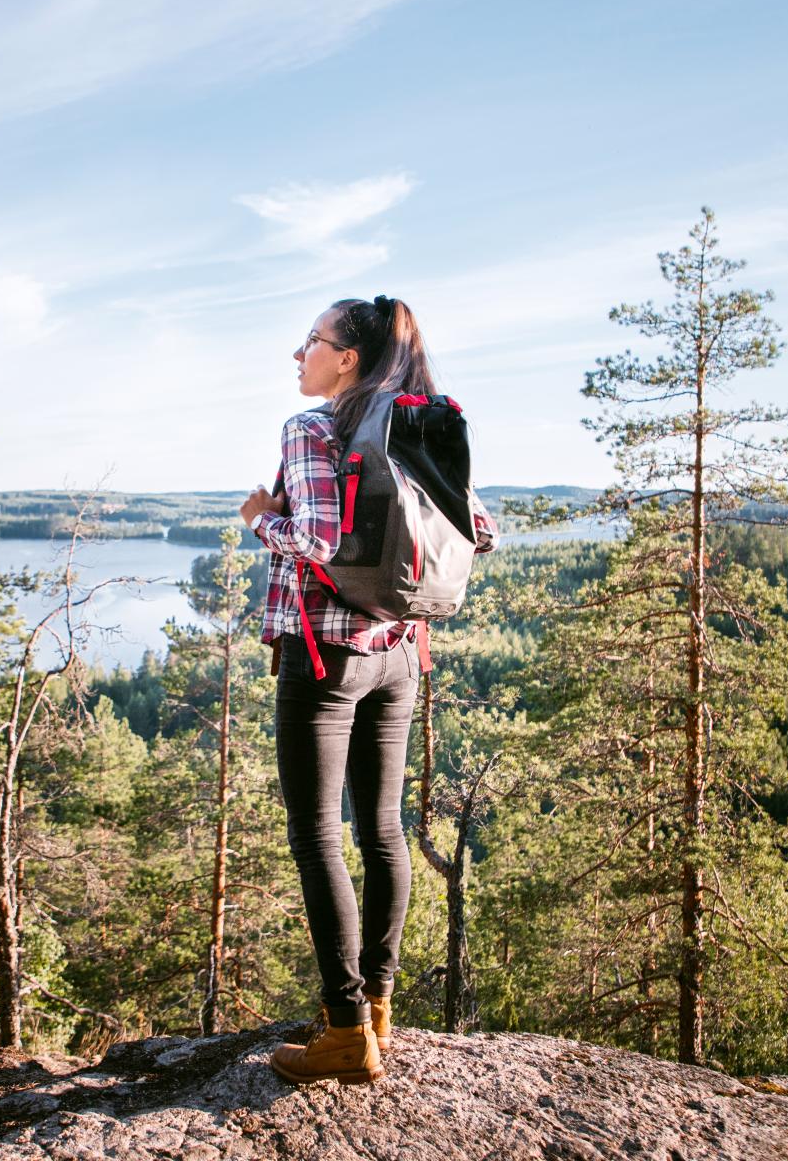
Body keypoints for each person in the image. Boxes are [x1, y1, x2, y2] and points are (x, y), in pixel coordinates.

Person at [239, 295, 498, 1086]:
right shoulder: (413, 423)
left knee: (318, 832)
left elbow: (316, 540)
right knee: (382, 831)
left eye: (311, 341)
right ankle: (377, 1009)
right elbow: (480, 529)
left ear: (346, 357)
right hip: (400, 653)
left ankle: (347, 1031)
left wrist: (260, 517)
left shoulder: (314, 429)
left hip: (325, 658)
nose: (298, 354)